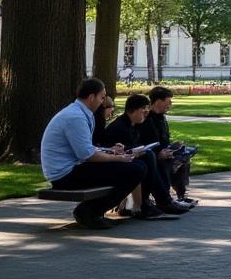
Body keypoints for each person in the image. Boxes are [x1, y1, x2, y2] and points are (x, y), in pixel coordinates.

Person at [41, 79, 148, 229]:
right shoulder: (75, 117)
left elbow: (85, 149)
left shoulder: (80, 113)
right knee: (136, 169)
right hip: (65, 175)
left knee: (136, 165)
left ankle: (92, 210)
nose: (103, 101)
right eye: (102, 97)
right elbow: (87, 155)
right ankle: (90, 211)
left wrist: (110, 150)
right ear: (91, 97)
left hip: (73, 168)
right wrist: (118, 158)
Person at [98, 94, 191, 219]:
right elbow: (119, 148)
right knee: (148, 158)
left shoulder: (131, 124)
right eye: (144, 108)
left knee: (153, 158)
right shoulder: (121, 127)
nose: (147, 111)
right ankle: (156, 202)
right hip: (111, 164)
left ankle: (160, 201)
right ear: (133, 109)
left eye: (148, 108)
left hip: (119, 160)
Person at [138, 86, 195, 206]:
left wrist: (173, 146)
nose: (169, 106)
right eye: (168, 102)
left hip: (164, 152)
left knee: (183, 159)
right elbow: (143, 142)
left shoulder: (161, 118)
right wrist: (159, 153)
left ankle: (181, 195)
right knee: (166, 163)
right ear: (158, 101)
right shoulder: (146, 119)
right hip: (152, 155)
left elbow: (163, 139)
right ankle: (165, 199)